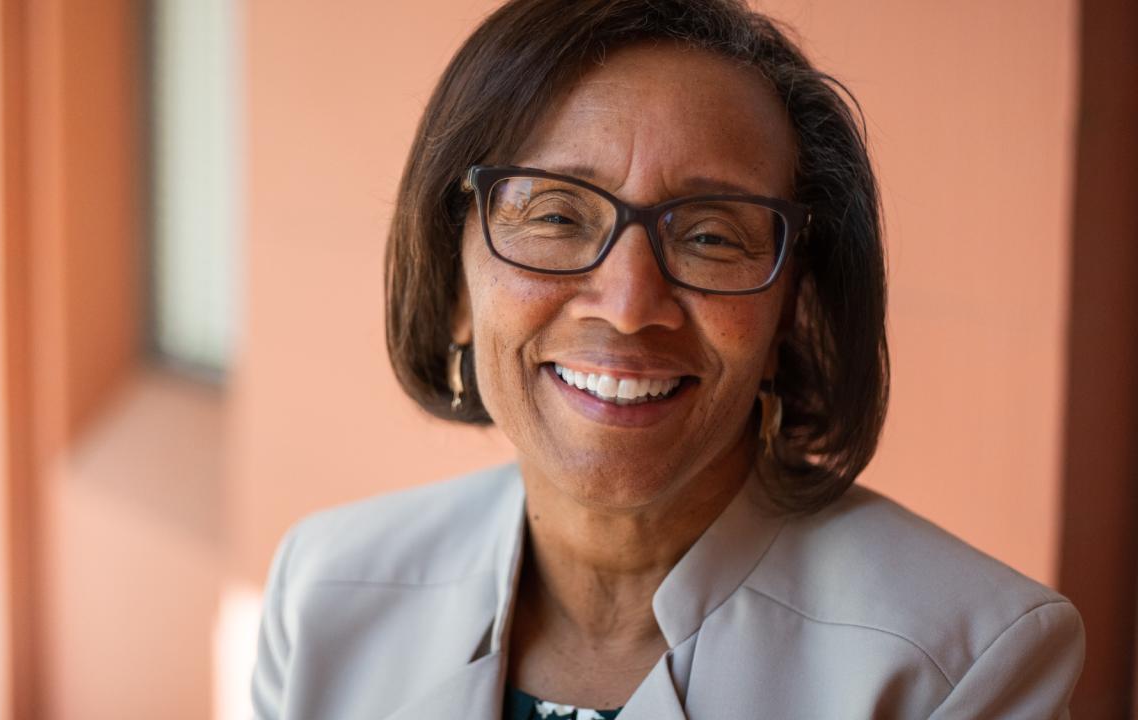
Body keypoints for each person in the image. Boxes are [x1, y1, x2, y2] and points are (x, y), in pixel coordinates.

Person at [251, 0, 1086, 717]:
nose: (627, 305)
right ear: (457, 284)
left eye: (712, 236)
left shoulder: (959, 662)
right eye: (556, 217)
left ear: (791, 308)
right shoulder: (325, 591)